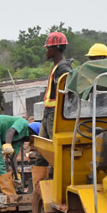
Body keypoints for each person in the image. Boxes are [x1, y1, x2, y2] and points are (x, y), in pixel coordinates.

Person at [33, 31, 72, 187]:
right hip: (49, 112)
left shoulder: (63, 68)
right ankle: (38, 188)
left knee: (55, 151)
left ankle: (59, 185)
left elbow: (68, 94)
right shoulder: (57, 67)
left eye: (48, 48)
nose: (46, 51)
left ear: (55, 48)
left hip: (55, 114)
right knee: (42, 150)